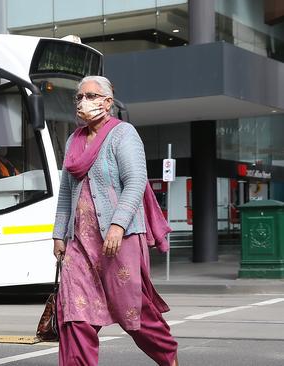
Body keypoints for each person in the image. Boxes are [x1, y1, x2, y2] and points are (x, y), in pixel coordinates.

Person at [52, 76, 178, 366]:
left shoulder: (123, 134)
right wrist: (59, 233)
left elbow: (135, 181)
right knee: (75, 315)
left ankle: (167, 355)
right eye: (79, 97)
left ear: (107, 103)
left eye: (91, 96)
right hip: (79, 243)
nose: (83, 102)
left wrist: (118, 225)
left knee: (133, 312)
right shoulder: (74, 139)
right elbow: (65, 191)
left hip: (117, 241)